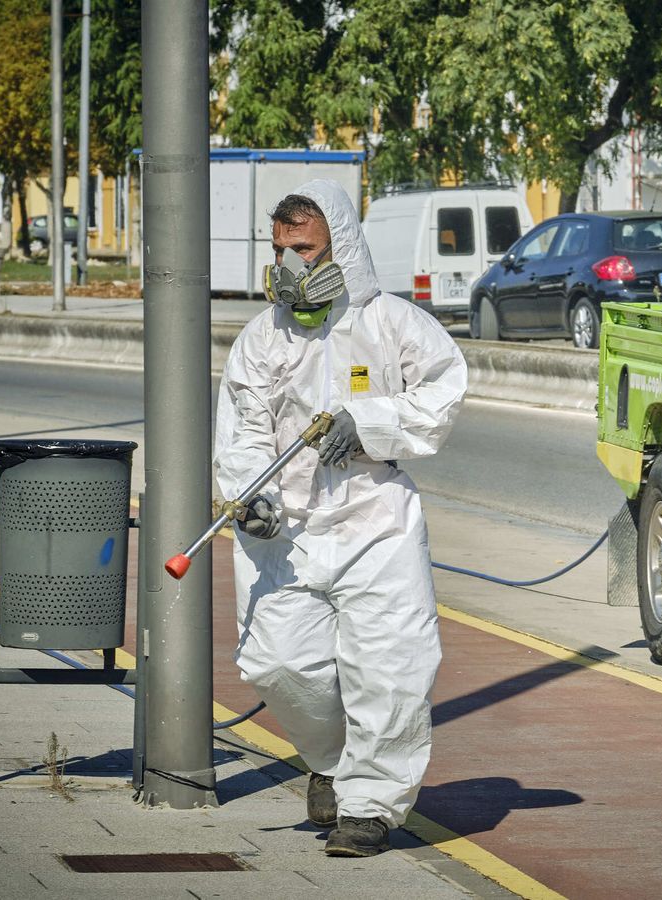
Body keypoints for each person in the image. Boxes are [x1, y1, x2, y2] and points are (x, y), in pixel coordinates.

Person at [215, 179, 467, 857]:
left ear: (342, 247)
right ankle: (332, 761)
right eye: (282, 249)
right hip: (288, 528)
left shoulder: (392, 324)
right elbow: (242, 431)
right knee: (277, 664)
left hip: (375, 520)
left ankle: (369, 809)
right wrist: (249, 496)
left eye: (305, 249)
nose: (290, 264)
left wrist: (370, 423)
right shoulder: (262, 338)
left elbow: (443, 390)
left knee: (389, 669)